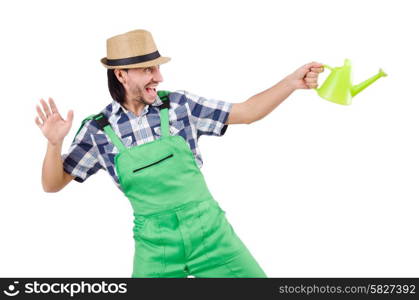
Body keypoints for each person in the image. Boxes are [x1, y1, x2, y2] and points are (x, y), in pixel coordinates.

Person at [35, 29, 323, 278]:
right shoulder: (98, 130)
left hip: (211, 236)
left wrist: (291, 83)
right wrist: (53, 144)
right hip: (155, 248)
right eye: (148, 69)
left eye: (157, 68)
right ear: (121, 74)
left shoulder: (179, 106)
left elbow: (247, 112)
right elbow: (52, 184)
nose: (159, 76)